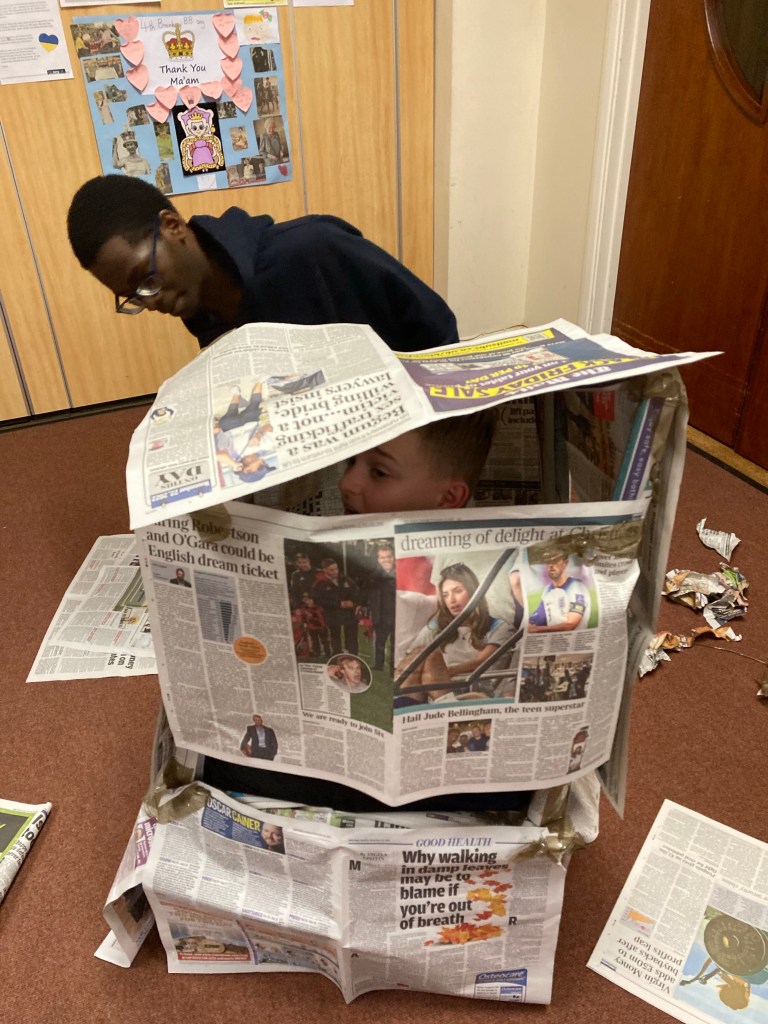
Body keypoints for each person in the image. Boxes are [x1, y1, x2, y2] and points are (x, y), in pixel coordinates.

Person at [66, 175, 458, 351]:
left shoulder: (314, 247)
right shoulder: (201, 308)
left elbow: (436, 328)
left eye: (146, 279)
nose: (150, 302)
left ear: (172, 226)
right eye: (134, 297)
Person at [394, 563, 515, 707]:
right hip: (434, 695)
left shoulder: (499, 627)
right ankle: (402, 703)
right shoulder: (436, 627)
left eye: (457, 591)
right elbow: (412, 659)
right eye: (445, 595)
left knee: (430, 654)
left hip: (477, 692)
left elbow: (481, 662)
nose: (451, 600)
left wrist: (446, 673)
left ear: (474, 592)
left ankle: (442, 704)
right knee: (419, 652)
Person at [527, 554, 591, 633]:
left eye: (555, 561)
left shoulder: (576, 587)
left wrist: (536, 629)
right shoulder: (547, 590)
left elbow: (570, 625)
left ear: (565, 563)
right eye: (548, 561)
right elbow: (538, 618)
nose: (551, 565)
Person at [312, 559, 360, 656]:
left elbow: (356, 592)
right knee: (335, 636)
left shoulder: (346, 580)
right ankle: (337, 655)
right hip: (332, 614)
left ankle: (353, 655)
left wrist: (353, 602)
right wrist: (338, 604)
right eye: (331, 570)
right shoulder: (319, 583)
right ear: (324, 570)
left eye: (336, 569)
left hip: (349, 614)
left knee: (351, 636)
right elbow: (318, 600)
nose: (335, 572)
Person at [365, 545, 396, 673]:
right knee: (379, 643)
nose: (386, 560)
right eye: (382, 557)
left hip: (397, 616)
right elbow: (369, 597)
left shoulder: (402, 574)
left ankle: (393, 668)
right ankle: (378, 665)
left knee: (395, 644)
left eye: (389, 556)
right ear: (378, 559)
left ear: (393, 557)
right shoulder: (373, 577)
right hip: (381, 617)